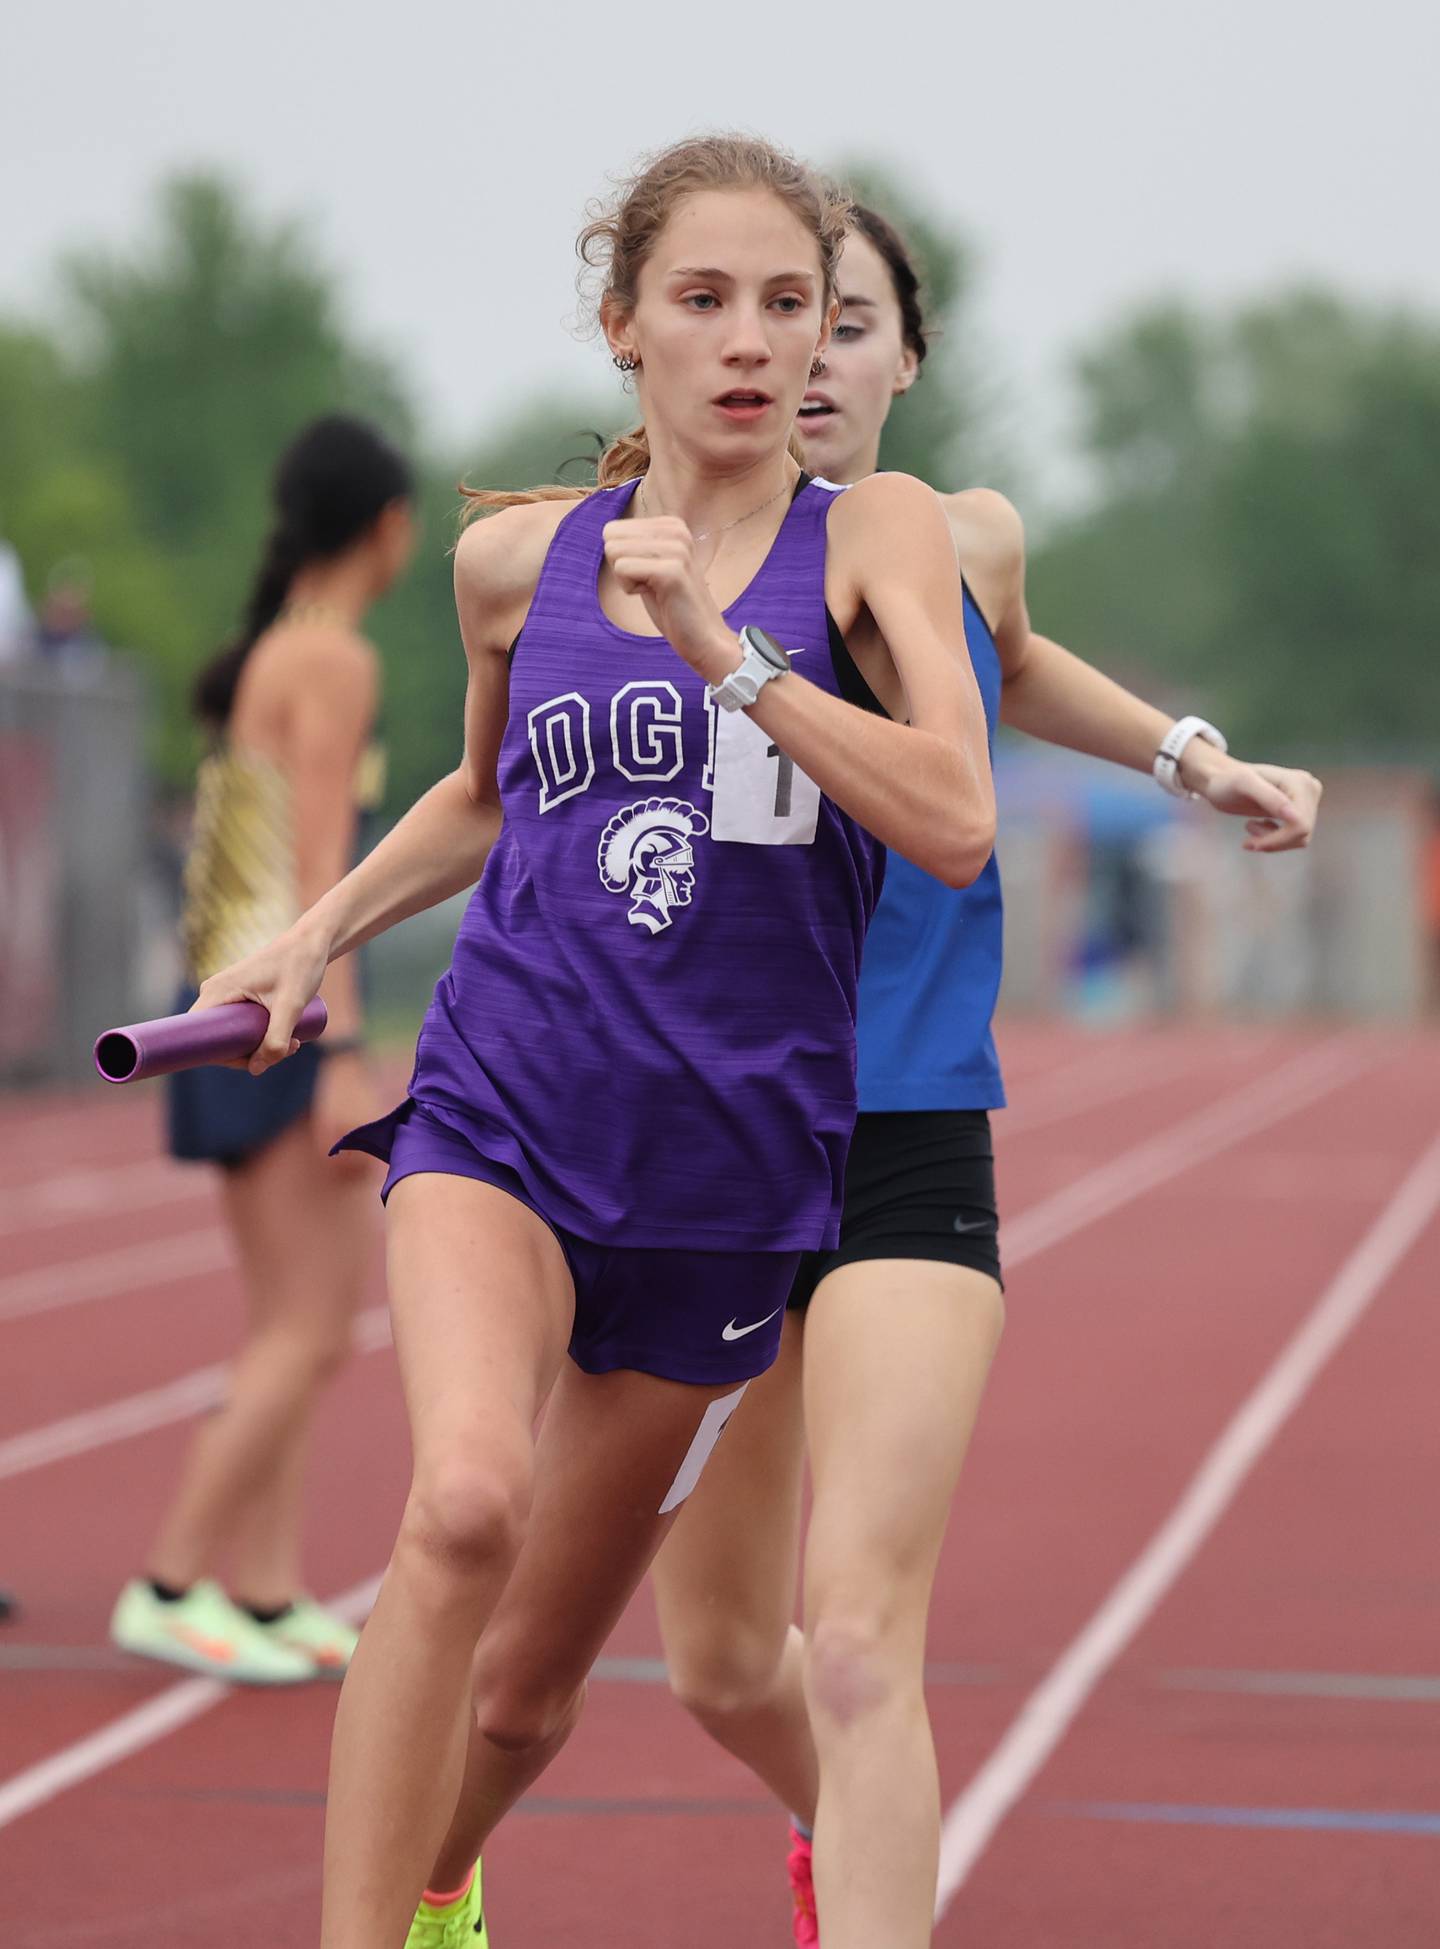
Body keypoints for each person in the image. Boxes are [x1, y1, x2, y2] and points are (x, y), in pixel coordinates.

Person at [187, 134, 995, 1949]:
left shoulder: (875, 533)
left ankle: (445, 1879)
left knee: (528, 1689)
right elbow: (485, 798)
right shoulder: (511, 566)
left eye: (787, 303)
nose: (751, 338)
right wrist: (315, 928)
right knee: (461, 1498)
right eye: (702, 299)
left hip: (727, 1181)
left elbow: (954, 813)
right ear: (623, 327)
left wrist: (723, 648)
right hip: (509, 1107)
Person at [647, 203, 1326, 1949]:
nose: (805, 354)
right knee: (723, 1657)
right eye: (776, 315)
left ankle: (878, 1872)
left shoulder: (960, 536)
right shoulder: (652, 551)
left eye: (845, 319)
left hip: (907, 1125)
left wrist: (1196, 755)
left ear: (900, 358)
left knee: (864, 1629)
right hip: (714, 1133)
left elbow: (1013, 667)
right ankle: (855, 1823)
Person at [110, 416, 415, 1685]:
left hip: (228, 996)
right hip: (280, 1013)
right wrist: (339, 1042)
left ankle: (271, 1588)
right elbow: (319, 870)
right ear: (388, 528)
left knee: (304, 1320)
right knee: (307, 1326)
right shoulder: (331, 660)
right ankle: (172, 1577)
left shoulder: (269, 655)